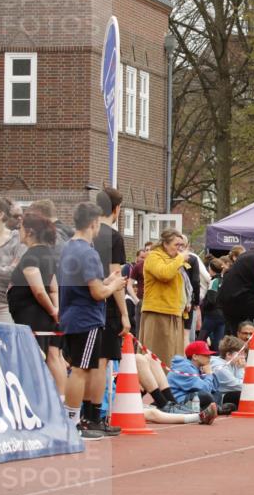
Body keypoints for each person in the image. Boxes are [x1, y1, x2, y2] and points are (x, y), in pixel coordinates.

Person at [58, 202, 126, 439]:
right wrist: (115, 285)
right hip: (86, 317)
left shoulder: (68, 247)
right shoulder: (88, 252)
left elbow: (90, 285)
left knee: (81, 368)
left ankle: (76, 419)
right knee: (81, 370)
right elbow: (97, 293)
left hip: (72, 313)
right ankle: (73, 421)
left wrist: (106, 281)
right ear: (94, 223)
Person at [7, 211, 65, 395]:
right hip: (45, 314)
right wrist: (56, 309)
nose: (19, 231)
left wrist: (53, 311)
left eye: (21, 228)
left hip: (34, 315)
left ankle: (44, 399)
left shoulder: (31, 256)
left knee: (39, 357)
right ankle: (61, 401)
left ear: (30, 231)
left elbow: (39, 290)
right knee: (55, 356)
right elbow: (53, 288)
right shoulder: (49, 254)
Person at [92, 188, 131, 428]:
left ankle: (84, 414)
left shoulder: (87, 233)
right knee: (102, 361)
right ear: (116, 209)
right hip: (105, 303)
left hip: (85, 301)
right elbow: (115, 276)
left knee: (84, 364)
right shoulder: (113, 237)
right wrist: (125, 314)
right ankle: (96, 416)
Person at [140, 229, 188, 367]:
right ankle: (155, 385)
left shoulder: (173, 259)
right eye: (176, 245)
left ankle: (169, 384)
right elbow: (164, 274)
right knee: (159, 354)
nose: (179, 249)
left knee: (173, 356)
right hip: (158, 312)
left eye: (182, 246)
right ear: (165, 244)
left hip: (174, 312)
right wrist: (180, 259)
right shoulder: (153, 257)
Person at [217, 252, 254, 335]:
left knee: (233, 333)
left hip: (229, 303)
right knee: (246, 333)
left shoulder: (246, 256)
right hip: (241, 303)